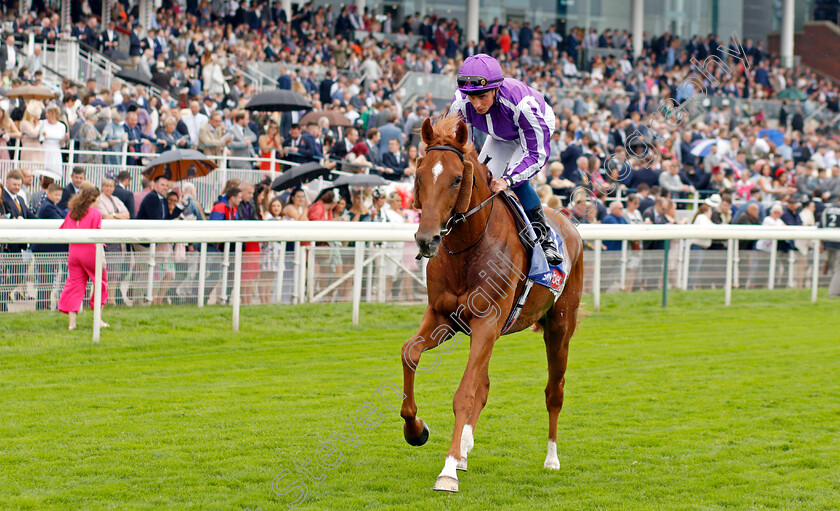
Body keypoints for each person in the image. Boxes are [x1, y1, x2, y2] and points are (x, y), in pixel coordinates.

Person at [449, 54, 562, 264]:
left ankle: (546, 240)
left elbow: (536, 155)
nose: (476, 104)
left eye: (482, 96)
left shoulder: (524, 106)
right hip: (500, 133)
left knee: (515, 183)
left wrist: (507, 179)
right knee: (479, 180)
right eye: (471, 97)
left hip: (532, 129)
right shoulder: (461, 103)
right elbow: (460, 146)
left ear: (496, 89)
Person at [57, 185, 109, 331]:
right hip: (90, 252)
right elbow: (98, 235)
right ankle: (97, 320)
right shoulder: (95, 213)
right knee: (101, 283)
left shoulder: (73, 212)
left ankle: (71, 324)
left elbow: (63, 230)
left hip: (74, 252)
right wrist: (103, 257)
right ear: (94, 199)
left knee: (74, 286)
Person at [30, 183, 68, 310]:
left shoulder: (52, 205)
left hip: (48, 248)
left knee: (48, 278)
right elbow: (60, 222)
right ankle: (42, 305)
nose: (58, 197)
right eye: (56, 195)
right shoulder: (48, 207)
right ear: (49, 193)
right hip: (45, 249)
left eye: (60, 195)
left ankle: (44, 304)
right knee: (46, 279)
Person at [688, 204, 713, 289]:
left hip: (700, 247)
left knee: (695, 270)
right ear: (707, 211)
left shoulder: (703, 218)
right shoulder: (702, 217)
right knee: (693, 270)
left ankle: (691, 287)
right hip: (697, 247)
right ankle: (689, 287)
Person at [820, 197, 840, 297]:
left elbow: (822, 225)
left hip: (827, 241)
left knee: (834, 268)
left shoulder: (827, 209)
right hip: (838, 242)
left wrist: (821, 243)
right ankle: (833, 293)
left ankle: (836, 289)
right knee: (838, 269)